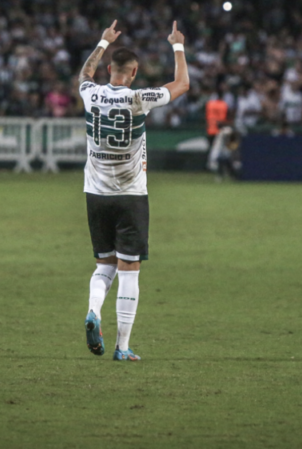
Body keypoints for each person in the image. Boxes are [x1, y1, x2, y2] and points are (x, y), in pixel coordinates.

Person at [79, 19, 188, 362]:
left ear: (110, 69)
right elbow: (182, 84)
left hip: (95, 195)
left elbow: (84, 74)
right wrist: (177, 45)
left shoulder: (90, 93)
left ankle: (93, 311)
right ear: (135, 72)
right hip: (130, 196)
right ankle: (122, 347)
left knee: (104, 267)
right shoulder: (139, 99)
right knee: (129, 270)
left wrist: (102, 40)